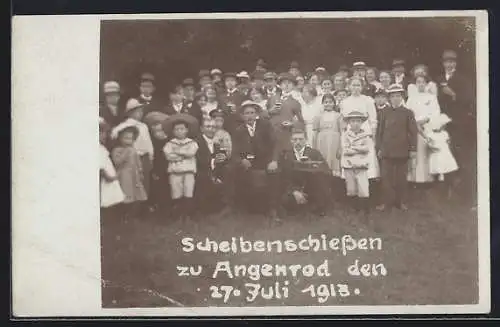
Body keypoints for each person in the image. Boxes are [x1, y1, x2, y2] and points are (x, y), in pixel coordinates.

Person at [232, 101, 281, 221]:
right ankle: (244, 209)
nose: (249, 116)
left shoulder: (265, 125)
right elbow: (234, 153)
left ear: (257, 114)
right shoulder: (239, 130)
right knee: (236, 173)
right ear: (242, 116)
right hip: (249, 162)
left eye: (252, 113)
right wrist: (242, 160)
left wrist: (274, 160)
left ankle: (273, 209)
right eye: (246, 113)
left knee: (274, 175)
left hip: (266, 160)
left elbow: (275, 144)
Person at [375, 84, 418, 211]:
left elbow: (413, 132)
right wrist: (379, 148)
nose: (395, 99)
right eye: (393, 96)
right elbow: (380, 132)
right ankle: (387, 202)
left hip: (402, 149)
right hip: (387, 149)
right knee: (386, 178)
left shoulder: (408, 113)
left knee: (401, 177)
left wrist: (413, 149)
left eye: (398, 96)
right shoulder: (383, 112)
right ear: (389, 98)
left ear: (402, 97)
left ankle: (401, 202)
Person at [279, 128, 331, 216]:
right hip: (294, 187)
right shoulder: (286, 155)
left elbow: (326, 170)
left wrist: (313, 166)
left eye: (301, 139)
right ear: (291, 141)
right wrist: (294, 191)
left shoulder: (314, 153)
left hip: (312, 186)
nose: (298, 142)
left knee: (321, 183)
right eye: (295, 140)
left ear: (306, 140)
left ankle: (317, 206)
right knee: (286, 201)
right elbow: (283, 177)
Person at [111, 99, 154, 199]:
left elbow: (148, 144)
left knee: (144, 183)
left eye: (141, 111)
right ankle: (131, 209)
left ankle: (140, 209)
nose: (140, 113)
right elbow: (114, 135)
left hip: (144, 157)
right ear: (131, 113)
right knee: (131, 182)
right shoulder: (123, 126)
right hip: (131, 157)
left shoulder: (143, 126)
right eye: (138, 111)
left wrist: (151, 156)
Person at [340, 76, 379, 180]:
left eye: (358, 85)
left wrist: (373, 136)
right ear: (349, 87)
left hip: (365, 133)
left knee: (366, 161)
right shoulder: (344, 102)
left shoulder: (368, 100)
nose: (356, 88)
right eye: (353, 85)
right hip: (350, 134)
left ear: (362, 87)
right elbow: (343, 121)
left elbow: (373, 119)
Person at [406, 75, 441, 184]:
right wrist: (415, 123)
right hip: (415, 127)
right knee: (417, 152)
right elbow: (408, 113)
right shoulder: (412, 98)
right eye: (418, 82)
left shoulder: (431, 97)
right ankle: (416, 178)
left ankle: (428, 177)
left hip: (427, 127)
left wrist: (426, 120)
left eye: (423, 82)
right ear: (415, 84)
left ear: (426, 84)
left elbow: (436, 112)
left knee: (426, 152)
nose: (420, 84)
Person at [163, 114, 199, 219]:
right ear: (173, 131)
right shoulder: (170, 143)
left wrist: (178, 152)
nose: (179, 131)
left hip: (189, 171)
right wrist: (182, 155)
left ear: (187, 130)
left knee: (188, 191)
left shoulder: (192, 143)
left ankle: (188, 214)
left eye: (182, 129)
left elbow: (191, 153)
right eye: (177, 129)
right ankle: (177, 214)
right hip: (175, 171)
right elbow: (168, 156)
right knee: (176, 191)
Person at [195, 118, 233, 215]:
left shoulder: (216, 144)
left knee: (229, 170)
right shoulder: (196, 143)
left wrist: (222, 159)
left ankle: (226, 205)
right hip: (199, 173)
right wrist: (213, 161)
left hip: (214, 172)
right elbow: (198, 162)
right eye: (208, 126)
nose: (211, 129)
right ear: (201, 129)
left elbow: (219, 162)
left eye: (213, 127)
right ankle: (204, 208)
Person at [267, 73, 305, 165]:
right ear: (280, 85)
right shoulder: (272, 98)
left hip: (285, 134)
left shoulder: (296, 102)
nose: (287, 85)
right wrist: (270, 111)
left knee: (284, 160)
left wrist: (292, 124)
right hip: (271, 133)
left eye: (289, 83)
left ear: (293, 86)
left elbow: (301, 122)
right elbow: (262, 115)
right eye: (284, 83)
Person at [111, 125, 148, 219]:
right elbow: (117, 162)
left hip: (134, 175)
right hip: (124, 175)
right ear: (120, 139)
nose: (128, 141)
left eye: (130, 138)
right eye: (125, 138)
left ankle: (132, 214)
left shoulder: (133, 150)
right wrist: (125, 153)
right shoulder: (117, 150)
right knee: (126, 193)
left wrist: (140, 171)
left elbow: (137, 162)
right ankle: (123, 214)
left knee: (135, 193)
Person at [339, 111, 371, 214]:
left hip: (362, 164)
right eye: (353, 121)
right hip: (349, 164)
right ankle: (353, 208)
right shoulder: (345, 135)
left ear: (362, 122)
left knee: (363, 186)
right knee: (351, 187)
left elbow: (366, 148)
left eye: (358, 121)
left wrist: (353, 147)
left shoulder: (366, 135)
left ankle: (364, 208)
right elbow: (346, 150)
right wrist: (359, 148)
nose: (355, 123)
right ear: (349, 123)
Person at [425, 113, 459, 196]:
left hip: (445, 154)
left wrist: (448, 144)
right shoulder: (431, 135)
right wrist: (432, 148)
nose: (444, 127)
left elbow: (448, 142)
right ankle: (439, 191)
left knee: (448, 170)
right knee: (438, 172)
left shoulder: (445, 133)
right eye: (443, 125)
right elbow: (428, 145)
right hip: (436, 155)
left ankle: (449, 189)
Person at [143, 111, 170, 214]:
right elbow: (154, 157)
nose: (159, 131)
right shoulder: (152, 142)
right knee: (158, 188)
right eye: (155, 127)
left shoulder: (168, 140)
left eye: (161, 128)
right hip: (157, 169)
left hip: (168, 167)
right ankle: (157, 206)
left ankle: (166, 207)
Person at [100, 117, 124, 217]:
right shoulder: (97, 149)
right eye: (101, 133)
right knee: (105, 196)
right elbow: (100, 167)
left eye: (105, 133)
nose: (104, 136)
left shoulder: (101, 147)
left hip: (109, 176)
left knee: (112, 196)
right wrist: (109, 177)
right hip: (106, 178)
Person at [313, 94, 342, 178]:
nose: (328, 104)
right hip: (322, 142)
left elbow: (342, 132)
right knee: (323, 161)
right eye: (325, 102)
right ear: (322, 104)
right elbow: (315, 133)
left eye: (330, 102)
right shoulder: (318, 116)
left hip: (335, 143)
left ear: (334, 103)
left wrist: (340, 148)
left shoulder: (338, 116)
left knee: (334, 164)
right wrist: (314, 147)